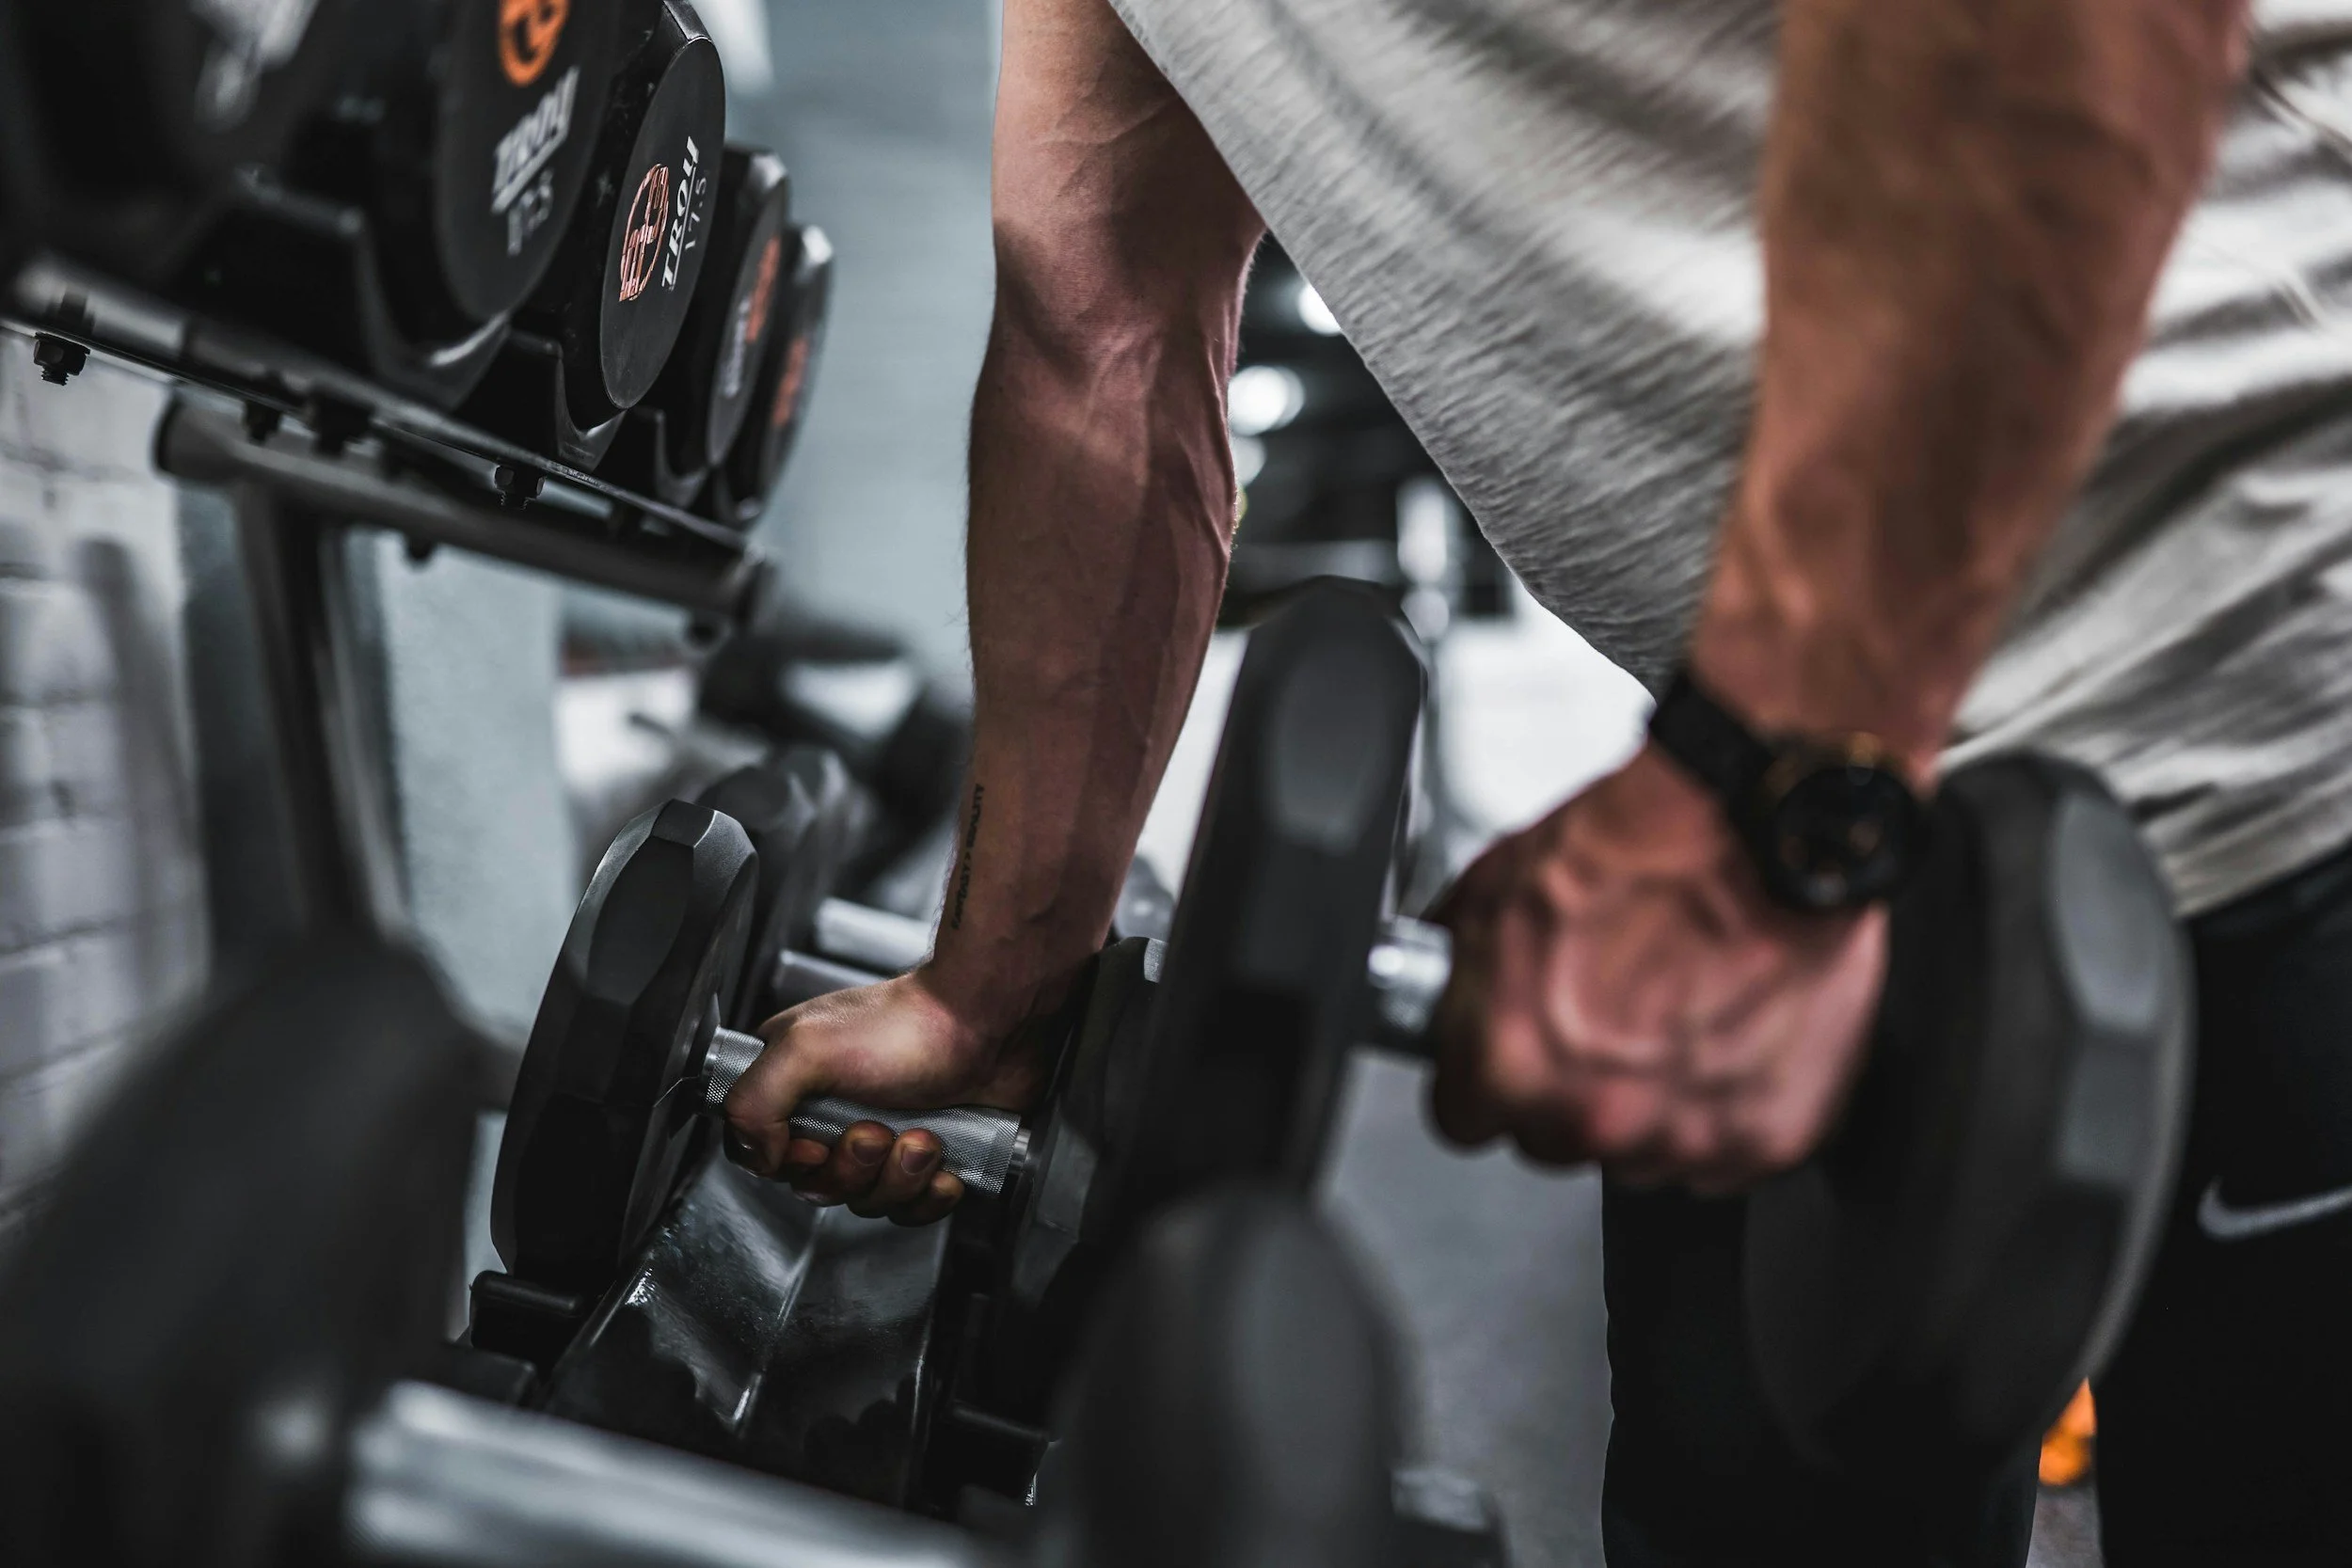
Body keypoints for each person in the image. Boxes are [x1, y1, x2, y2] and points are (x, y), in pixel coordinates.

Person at [726, 0, 2352, 1560]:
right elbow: (1104, 338)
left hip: (2275, 715)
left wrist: (1765, 794)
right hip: (1816, 800)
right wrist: (999, 983)